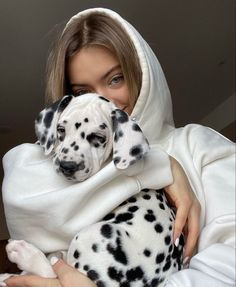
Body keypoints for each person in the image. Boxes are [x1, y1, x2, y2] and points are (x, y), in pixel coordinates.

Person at [2, 7, 235, 287]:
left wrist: (160, 158)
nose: (104, 102)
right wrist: (158, 167)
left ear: (141, 73)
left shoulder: (199, 146)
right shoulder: (59, 156)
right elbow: (22, 207)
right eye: (82, 93)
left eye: (116, 79)